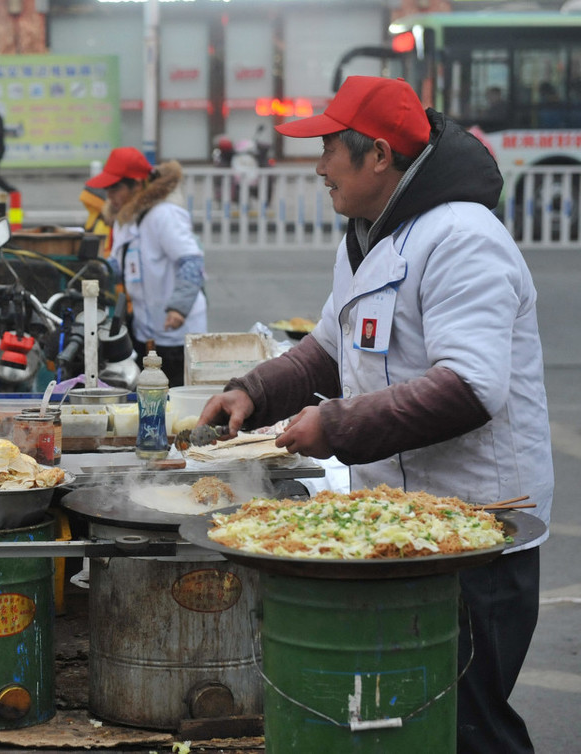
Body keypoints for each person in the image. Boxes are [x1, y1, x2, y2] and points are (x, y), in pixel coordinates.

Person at [198, 76, 552, 753]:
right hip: (398, 528)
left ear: (380, 156)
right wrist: (253, 390)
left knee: (468, 725)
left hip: (473, 535)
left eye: (332, 147)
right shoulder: (365, 239)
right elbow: (330, 351)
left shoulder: (461, 239)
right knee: (407, 717)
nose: (319, 165)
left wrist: (336, 428)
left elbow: (471, 387)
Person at [86, 146, 207, 386]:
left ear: (137, 185)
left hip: (178, 335)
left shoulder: (164, 215)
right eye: (107, 188)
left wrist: (178, 308)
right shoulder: (125, 219)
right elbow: (120, 265)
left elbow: (191, 262)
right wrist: (93, 272)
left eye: (115, 188)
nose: (109, 195)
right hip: (145, 331)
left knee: (175, 403)